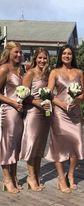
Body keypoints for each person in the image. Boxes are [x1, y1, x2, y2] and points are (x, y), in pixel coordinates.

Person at [45, 44, 84, 193]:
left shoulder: (79, 72)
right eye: (64, 53)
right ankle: (61, 178)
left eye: (69, 54)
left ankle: (71, 175)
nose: (67, 56)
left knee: (76, 143)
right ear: (60, 56)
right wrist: (62, 104)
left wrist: (77, 100)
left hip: (74, 112)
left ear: (73, 56)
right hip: (60, 113)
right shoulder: (54, 72)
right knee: (59, 145)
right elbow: (48, 93)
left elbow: (83, 94)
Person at [19, 47, 51, 191]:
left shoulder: (47, 74)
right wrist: (38, 103)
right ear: (35, 58)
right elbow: (24, 95)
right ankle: (31, 177)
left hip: (45, 114)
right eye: (40, 58)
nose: (42, 60)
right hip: (33, 113)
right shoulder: (29, 73)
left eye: (45, 58)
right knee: (32, 145)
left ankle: (37, 175)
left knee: (40, 146)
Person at [0, 41, 24, 193]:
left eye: (20, 52)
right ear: (8, 52)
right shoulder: (3, 69)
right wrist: (13, 103)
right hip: (9, 111)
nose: (19, 55)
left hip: (20, 113)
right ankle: (6, 179)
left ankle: (14, 177)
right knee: (7, 145)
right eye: (16, 52)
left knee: (16, 145)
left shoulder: (20, 69)